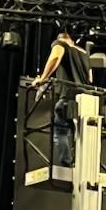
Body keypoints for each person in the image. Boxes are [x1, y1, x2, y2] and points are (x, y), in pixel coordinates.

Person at [31, 27, 93, 169]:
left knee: (61, 131)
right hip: (87, 100)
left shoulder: (60, 44)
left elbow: (55, 57)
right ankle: (83, 164)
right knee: (83, 132)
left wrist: (42, 78)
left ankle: (67, 164)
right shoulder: (85, 54)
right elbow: (90, 78)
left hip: (69, 96)